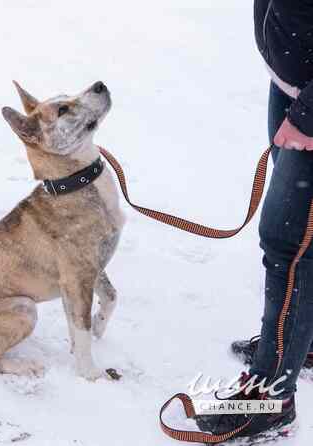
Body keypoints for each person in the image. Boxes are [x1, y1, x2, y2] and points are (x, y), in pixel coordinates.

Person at [196, 1, 313, 440]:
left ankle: (271, 396)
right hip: (295, 79)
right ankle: (304, 342)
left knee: (290, 244)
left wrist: (308, 117)